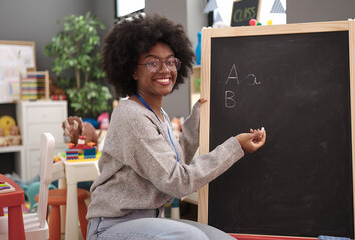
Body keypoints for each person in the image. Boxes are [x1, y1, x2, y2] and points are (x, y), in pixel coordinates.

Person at [86, 13, 267, 240]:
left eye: (170, 61)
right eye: (153, 63)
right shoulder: (131, 116)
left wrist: (197, 118)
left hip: (148, 221)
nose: (165, 70)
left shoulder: (157, 113)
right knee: (195, 238)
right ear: (132, 70)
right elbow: (178, 181)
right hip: (112, 227)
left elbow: (174, 162)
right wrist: (235, 147)